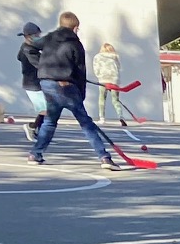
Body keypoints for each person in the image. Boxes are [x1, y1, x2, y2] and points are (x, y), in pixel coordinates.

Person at [29, 12, 119, 170]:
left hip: (47, 84)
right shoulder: (75, 44)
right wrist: (81, 94)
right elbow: (80, 72)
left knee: (50, 121)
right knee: (86, 123)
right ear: (75, 28)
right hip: (67, 86)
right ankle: (104, 157)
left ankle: (35, 154)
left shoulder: (49, 38)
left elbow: (31, 46)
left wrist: (41, 67)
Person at [16, 22, 47, 144]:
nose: (39, 37)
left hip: (36, 82)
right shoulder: (28, 50)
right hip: (32, 84)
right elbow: (39, 65)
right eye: (37, 35)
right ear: (29, 36)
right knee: (45, 110)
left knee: (47, 109)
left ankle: (39, 131)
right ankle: (32, 127)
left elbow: (18, 57)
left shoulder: (28, 48)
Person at [93, 41, 120, 121]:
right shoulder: (115, 56)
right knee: (115, 100)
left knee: (102, 98)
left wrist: (98, 76)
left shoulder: (98, 57)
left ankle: (102, 117)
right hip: (114, 80)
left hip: (103, 79)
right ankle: (120, 115)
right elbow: (118, 67)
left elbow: (96, 68)